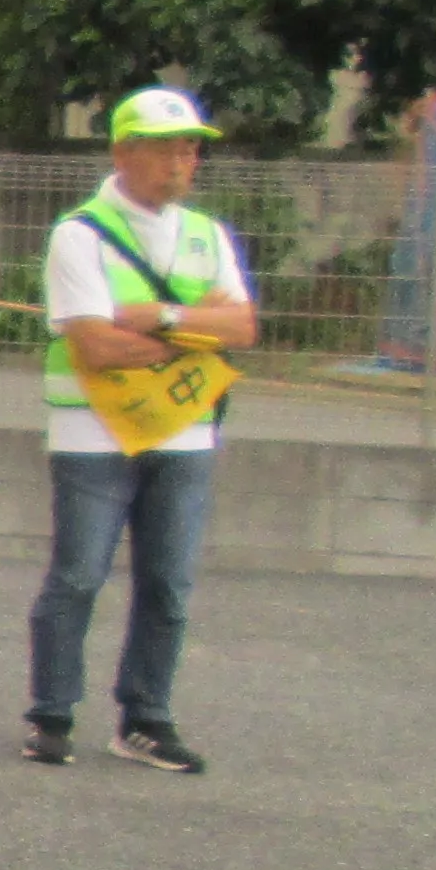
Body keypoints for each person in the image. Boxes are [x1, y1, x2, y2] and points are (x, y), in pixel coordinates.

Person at [24, 88, 257, 773]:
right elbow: (94, 345)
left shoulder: (207, 234)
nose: (181, 161)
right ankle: (51, 712)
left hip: (185, 432)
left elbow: (242, 328)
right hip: (92, 434)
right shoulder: (81, 232)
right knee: (77, 576)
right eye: (164, 146)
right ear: (123, 152)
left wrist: (152, 318)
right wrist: (194, 331)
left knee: (170, 584)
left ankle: (146, 717)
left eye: (189, 147)